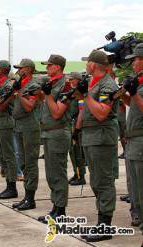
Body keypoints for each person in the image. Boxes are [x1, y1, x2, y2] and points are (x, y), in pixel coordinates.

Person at [76, 50, 119, 242]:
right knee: (96, 181)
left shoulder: (107, 85)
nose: (86, 66)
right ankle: (101, 222)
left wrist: (86, 95)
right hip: (91, 136)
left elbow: (102, 113)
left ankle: (105, 226)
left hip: (101, 137)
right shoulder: (95, 83)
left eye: (87, 63)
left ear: (94, 65)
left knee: (103, 181)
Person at [37, 55, 72, 223]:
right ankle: (55, 207)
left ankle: (61, 209)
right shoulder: (51, 83)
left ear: (58, 67)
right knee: (51, 174)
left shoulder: (65, 85)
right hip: (49, 132)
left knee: (58, 172)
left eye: (49, 65)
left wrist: (48, 95)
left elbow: (58, 112)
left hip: (58, 132)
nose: (47, 68)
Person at [11, 58, 41, 210]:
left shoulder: (33, 85)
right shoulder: (22, 84)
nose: (19, 70)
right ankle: (26, 197)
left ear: (29, 69)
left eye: (21, 68)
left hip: (29, 125)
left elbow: (30, 106)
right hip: (19, 125)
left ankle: (31, 198)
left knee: (30, 162)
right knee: (23, 162)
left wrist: (19, 93)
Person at [122, 43, 143, 244]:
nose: (133, 64)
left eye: (135, 60)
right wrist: (124, 96)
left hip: (140, 142)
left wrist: (134, 93)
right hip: (134, 141)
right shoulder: (140, 81)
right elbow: (134, 105)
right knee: (135, 193)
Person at [0, 60, 18, 199]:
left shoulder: (9, 84)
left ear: (2, 70)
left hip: (5, 121)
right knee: (2, 156)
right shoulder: (2, 83)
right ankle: (8, 184)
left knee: (8, 155)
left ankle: (12, 186)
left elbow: (1, 105)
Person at [67, 72, 87, 186]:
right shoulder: (73, 92)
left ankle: (81, 176)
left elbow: (81, 111)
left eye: (72, 79)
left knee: (77, 152)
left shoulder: (80, 94)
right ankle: (76, 173)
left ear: (78, 80)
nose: (70, 81)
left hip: (77, 125)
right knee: (72, 152)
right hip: (72, 123)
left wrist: (77, 130)